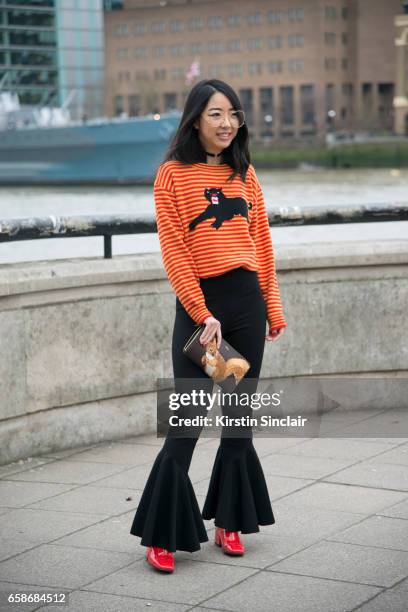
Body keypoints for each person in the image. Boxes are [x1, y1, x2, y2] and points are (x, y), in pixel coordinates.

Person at [129, 78, 287, 573]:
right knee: (186, 424)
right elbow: (175, 251)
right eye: (216, 114)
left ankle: (229, 522)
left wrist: (273, 309)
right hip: (203, 312)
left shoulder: (246, 174)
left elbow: (262, 245)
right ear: (195, 118)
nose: (226, 124)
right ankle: (161, 536)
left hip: (246, 304)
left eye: (233, 115)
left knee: (239, 423)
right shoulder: (171, 175)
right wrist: (203, 315)